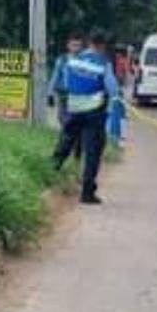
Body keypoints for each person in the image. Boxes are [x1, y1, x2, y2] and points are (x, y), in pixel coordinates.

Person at [52, 30, 118, 205]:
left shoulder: (74, 60)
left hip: (74, 108)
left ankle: (50, 172)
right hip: (94, 112)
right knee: (92, 151)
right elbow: (112, 87)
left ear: (89, 43)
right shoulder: (104, 63)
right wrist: (114, 99)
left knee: (65, 141)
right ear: (103, 46)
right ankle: (87, 193)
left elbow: (66, 83)